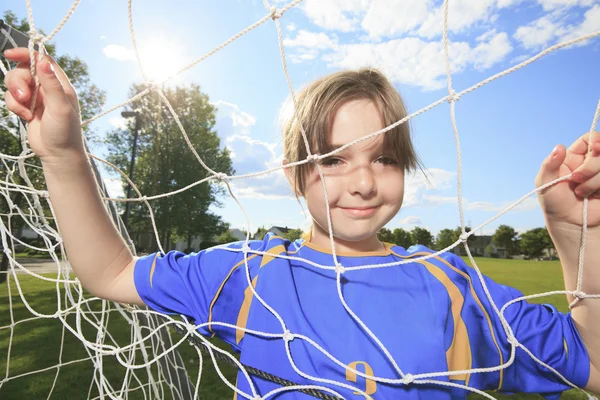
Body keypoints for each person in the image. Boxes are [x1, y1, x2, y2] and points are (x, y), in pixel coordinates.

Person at [3, 47, 600, 400]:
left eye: (384, 158)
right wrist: (63, 154)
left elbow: (591, 365)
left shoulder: (453, 285)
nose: (364, 183)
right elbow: (111, 271)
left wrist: (578, 236)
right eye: (334, 159)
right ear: (294, 175)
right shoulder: (250, 273)